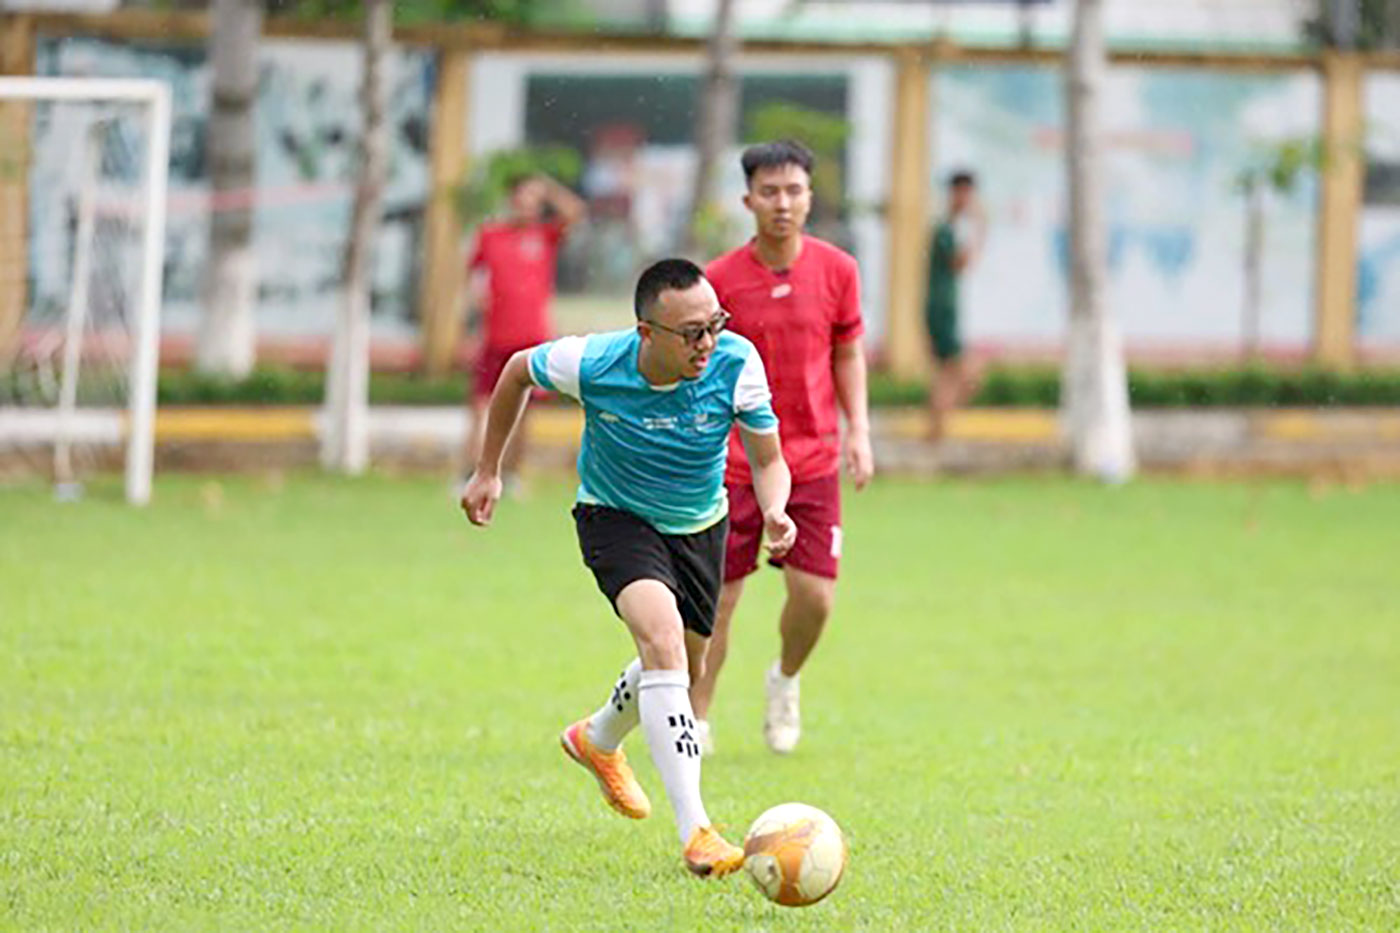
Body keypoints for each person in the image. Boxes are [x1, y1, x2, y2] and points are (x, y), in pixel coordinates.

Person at [460, 258, 797, 878]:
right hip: (614, 518)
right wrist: (488, 470)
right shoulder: (594, 362)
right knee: (663, 641)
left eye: (714, 325)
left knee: (684, 665)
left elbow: (770, 460)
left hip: (701, 525)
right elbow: (514, 373)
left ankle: (597, 738)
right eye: (691, 332)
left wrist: (775, 508)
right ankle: (698, 830)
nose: (707, 343)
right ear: (647, 332)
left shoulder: (737, 363)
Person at [691, 139, 874, 757]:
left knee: (816, 596)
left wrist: (861, 433)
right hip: (735, 465)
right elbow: (699, 366)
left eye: (793, 190)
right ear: (748, 200)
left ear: (810, 198)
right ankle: (699, 717)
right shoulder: (719, 280)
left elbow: (847, 352)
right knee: (717, 601)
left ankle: (785, 680)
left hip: (814, 461)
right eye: (769, 191)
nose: (782, 203)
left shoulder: (838, 270)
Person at [463, 172, 586, 488]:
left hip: (531, 338)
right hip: (495, 336)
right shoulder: (491, 235)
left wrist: (548, 187)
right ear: (511, 201)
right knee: (480, 406)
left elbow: (575, 211)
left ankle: (512, 474)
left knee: (524, 412)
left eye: (533, 201)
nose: (526, 206)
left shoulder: (545, 235)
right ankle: (472, 471)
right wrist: (476, 298)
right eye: (521, 199)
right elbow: (474, 274)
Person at [925, 170, 986, 442]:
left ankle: (937, 431)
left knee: (947, 375)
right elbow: (961, 263)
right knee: (963, 373)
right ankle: (935, 431)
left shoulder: (948, 226)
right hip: (942, 311)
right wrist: (981, 228)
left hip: (945, 309)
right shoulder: (945, 228)